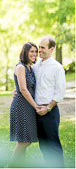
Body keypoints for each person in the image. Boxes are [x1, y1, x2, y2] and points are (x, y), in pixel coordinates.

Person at [32, 37, 65, 167]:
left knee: (53, 146)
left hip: (50, 112)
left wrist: (48, 108)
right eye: (39, 47)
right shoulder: (36, 66)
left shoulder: (57, 67)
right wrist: (16, 91)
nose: (39, 50)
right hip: (37, 111)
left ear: (51, 49)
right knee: (44, 146)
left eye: (43, 48)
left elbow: (60, 92)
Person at [9, 42, 41, 166]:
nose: (34, 54)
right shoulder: (21, 67)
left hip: (28, 105)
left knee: (23, 139)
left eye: (35, 51)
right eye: (31, 51)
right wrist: (35, 106)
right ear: (25, 52)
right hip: (22, 105)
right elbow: (23, 89)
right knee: (25, 141)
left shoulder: (30, 67)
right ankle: (11, 166)